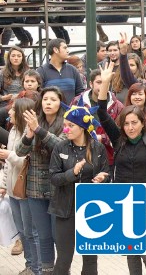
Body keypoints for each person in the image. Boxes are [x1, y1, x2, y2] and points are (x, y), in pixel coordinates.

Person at [98, 60, 146, 275]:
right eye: (127, 123)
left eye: (135, 123)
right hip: (123, 202)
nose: (130, 127)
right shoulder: (118, 139)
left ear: (142, 123)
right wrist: (105, 83)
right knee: (131, 251)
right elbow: (102, 113)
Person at [49, 104, 110, 275]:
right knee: (63, 259)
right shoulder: (60, 147)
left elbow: (107, 174)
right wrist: (72, 173)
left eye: (71, 125)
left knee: (90, 259)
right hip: (65, 210)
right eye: (65, 124)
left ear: (82, 127)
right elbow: (53, 178)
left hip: (91, 210)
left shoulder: (98, 148)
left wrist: (102, 179)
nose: (66, 129)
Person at [16, 86, 68, 273]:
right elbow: (20, 152)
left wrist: (37, 130)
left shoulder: (66, 123)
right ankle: (46, 271)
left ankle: (62, 270)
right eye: (45, 99)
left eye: (53, 100)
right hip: (35, 187)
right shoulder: (34, 122)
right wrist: (29, 135)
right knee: (44, 236)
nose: (48, 103)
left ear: (60, 103)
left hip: (59, 187)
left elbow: (61, 147)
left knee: (58, 236)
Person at [0, 98, 39, 275]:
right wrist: (3, 185)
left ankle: (38, 268)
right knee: (22, 232)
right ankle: (29, 265)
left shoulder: (32, 133)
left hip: (26, 189)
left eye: (12, 110)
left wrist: (10, 155)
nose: (8, 112)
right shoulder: (13, 130)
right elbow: (8, 165)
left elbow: (27, 160)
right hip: (12, 190)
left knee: (31, 232)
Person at [71, 69, 124, 172]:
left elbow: (121, 133)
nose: (103, 85)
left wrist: (102, 138)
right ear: (91, 83)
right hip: (81, 155)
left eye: (106, 82)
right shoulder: (77, 102)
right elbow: (69, 125)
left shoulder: (118, 106)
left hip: (108, 157)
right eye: (99, 82)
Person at [37, 38, 84, 104]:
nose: (68, 51)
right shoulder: (41, 71)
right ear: (55, 50)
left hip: (71, 113)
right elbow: (38, 95)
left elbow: (80, 93)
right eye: (65, 48)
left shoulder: (72, 70)